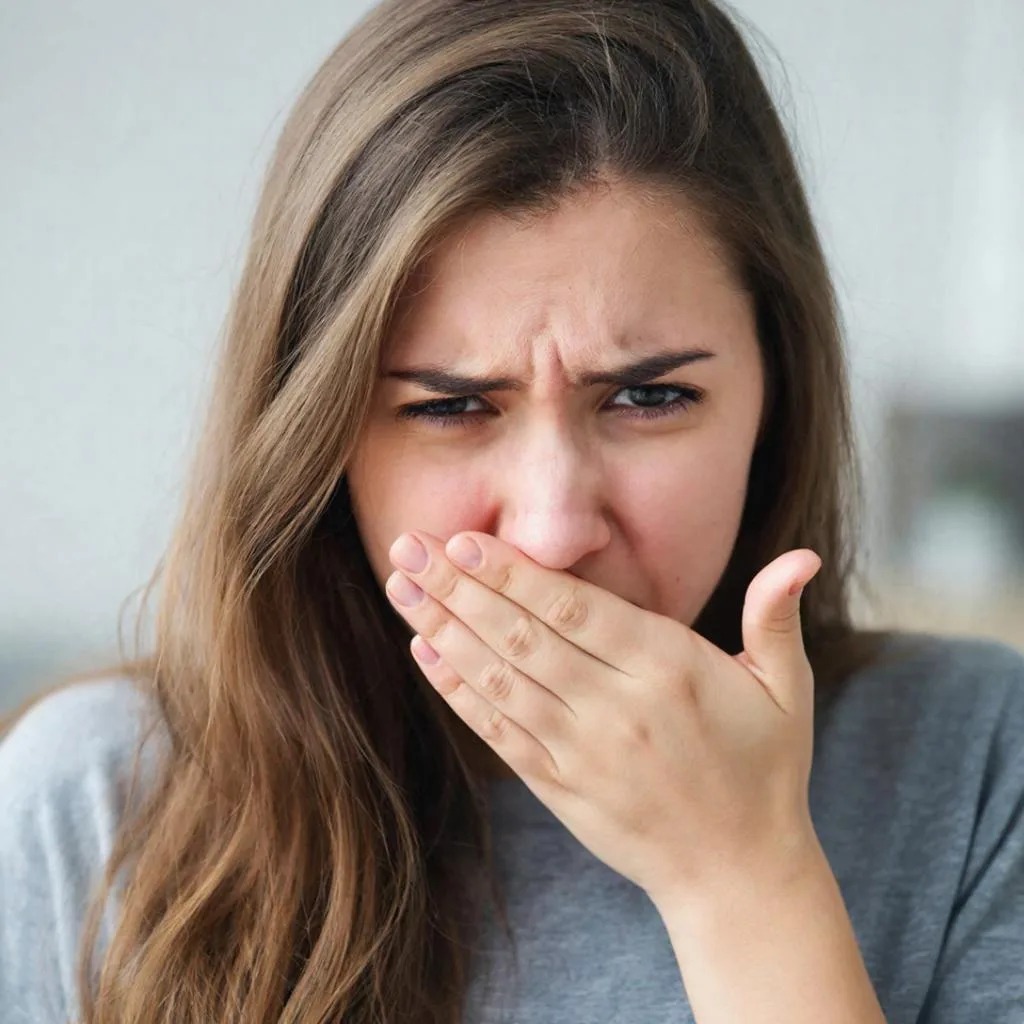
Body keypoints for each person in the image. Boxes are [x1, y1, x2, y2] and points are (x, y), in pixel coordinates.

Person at [1, 0, 1022, 1021]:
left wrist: (744, 881)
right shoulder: (93, 804)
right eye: (449, 408)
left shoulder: (977, 765)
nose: (550, 531)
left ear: (776, 395)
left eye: (649, 396)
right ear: (319, 438)